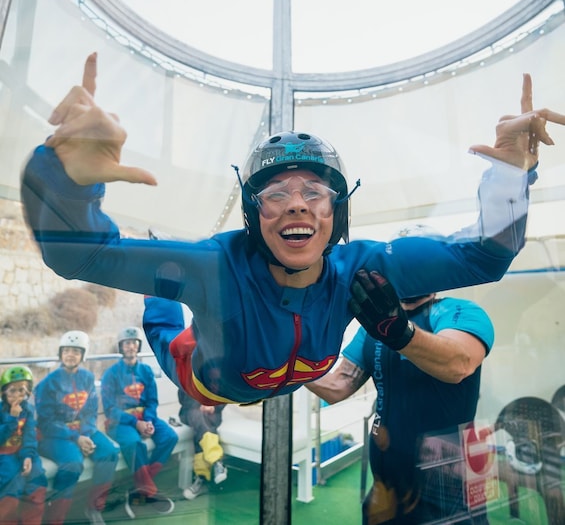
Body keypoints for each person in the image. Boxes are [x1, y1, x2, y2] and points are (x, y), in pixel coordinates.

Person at [20, 52, 565, 406]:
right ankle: (162, 300)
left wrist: (510, 175)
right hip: (204, 379)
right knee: (165, 322)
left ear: (338, 214)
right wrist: (65, 181)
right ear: (254, 216)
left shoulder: (363, 267)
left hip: (281, 368)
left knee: (176, 288)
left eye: (315, 193)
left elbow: (483, 259)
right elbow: (83, 258)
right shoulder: (214, 265)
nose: (296, 207)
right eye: (275, 195)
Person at [307, 225, 495, 524]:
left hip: (448, 484)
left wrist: (399, 332)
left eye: (420, 260)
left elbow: (458, 364)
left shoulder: (459, 311)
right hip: (387, 486)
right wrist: (286, 369)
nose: (412, 269)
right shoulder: (374, 321)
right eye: (405, 261)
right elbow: (339, 384)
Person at [142, 294, 228, 500]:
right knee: (200, 418)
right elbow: (185, 394)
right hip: (189, 411)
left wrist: (213, 406)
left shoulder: (218, 365)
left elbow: (225, 392)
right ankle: (216, 460)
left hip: (210, 414)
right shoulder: (189, 361)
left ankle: (201, 478)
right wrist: (202, 405)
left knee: (204, 426)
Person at [34, 331, 119, 525]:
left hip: (83, 431)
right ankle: (54, 519)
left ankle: (93, 507)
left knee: (110, 453)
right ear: (60, 354)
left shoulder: (88, 378)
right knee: (73, 464)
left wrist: (85, 434)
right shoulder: (47, 384)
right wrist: (76, 437)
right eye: (66, 351)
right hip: (55, 436)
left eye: (75, 351)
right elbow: (45, 423)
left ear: (83, 355)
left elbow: (90, 411)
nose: (70, 355)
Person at [100, 326, 177, 518]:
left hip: (145, 416)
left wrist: (149, 421)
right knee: (135, 443)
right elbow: (110, 408)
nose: (131, 346)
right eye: (126, 343)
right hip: (120, 421)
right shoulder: (111, 374)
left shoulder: (146, 371)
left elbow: (152, 400)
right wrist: (136, 424)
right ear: (121, 347)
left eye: (134, 342)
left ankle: (140, 485)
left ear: (138, 345)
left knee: (169, 436)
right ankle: (149, 490)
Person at [0, 366, 47, 525]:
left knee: (37, 479)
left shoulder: (28, 410)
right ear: (3, 393)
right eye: (12, 390)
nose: (17, 395)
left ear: (28, 392)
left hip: (22, 452)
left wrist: (28, 456)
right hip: (4, 454)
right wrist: (12, 419)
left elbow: (30, 436)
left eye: (21, 390)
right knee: (11, 483)